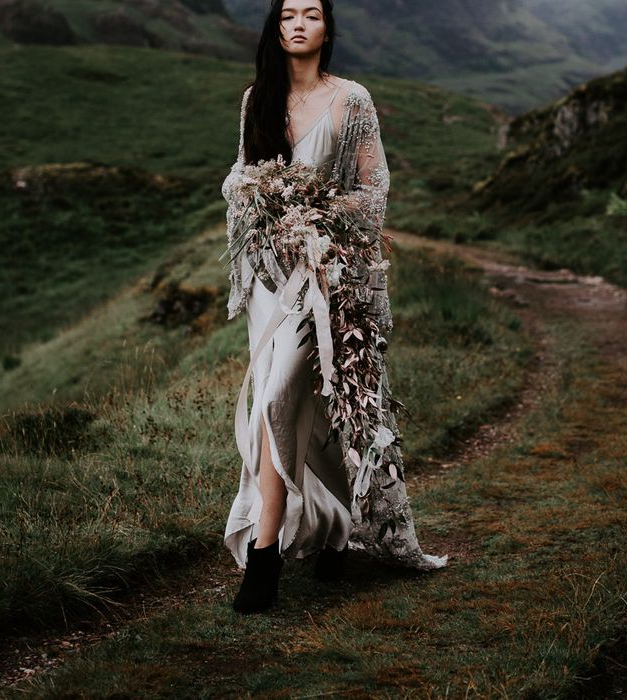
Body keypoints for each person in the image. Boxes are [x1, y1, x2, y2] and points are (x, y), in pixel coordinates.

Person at [220, 0, 447, 615]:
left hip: (327, 278)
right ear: (275, 28)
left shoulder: (352, 101)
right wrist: (258, 196)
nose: (298, 22)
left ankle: (264, 556)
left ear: (327, 29)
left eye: (311, 13)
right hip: (274, 281)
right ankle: (333, 529)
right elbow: (241, 175)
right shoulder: (255, 100)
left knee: (279, 400)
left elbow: (374, 190)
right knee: (299, 411)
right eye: (287, 13)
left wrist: (316, 215)